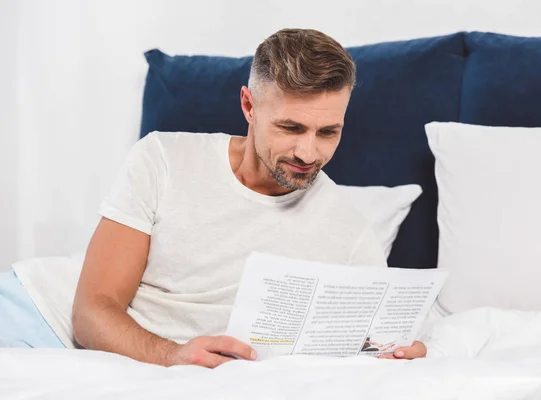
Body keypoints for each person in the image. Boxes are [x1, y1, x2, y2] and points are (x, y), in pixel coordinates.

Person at [0, 28, 426, 366]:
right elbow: (93, 311)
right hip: (39, 309)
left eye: (328, 132)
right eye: (291, 128)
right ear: (249, 106)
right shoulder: (164, 157)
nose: (308, 153)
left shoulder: (349, 233)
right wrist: (174, 355)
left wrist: (407, 352)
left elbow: (382, 343)